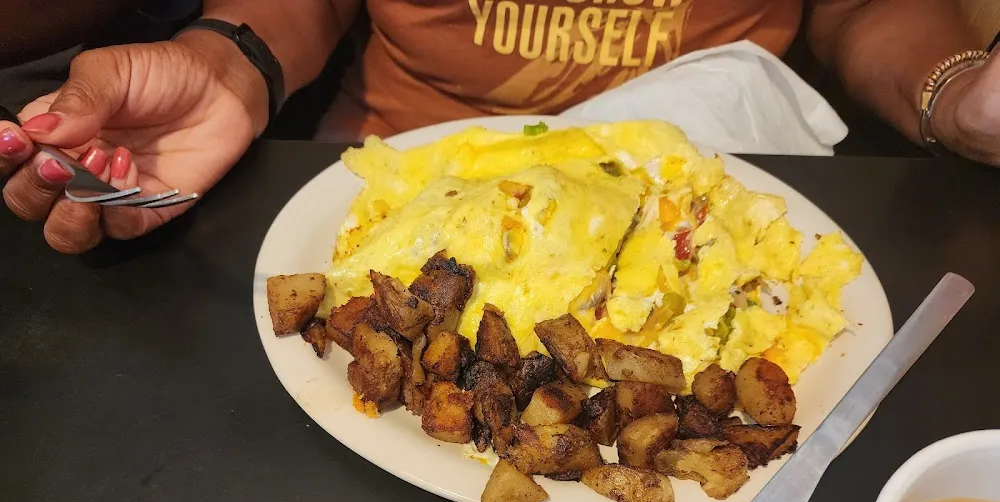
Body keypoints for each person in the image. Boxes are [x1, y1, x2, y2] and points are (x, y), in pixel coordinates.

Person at [1, 0, 997, 254]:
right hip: (391, 193)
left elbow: (857, 6)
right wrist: (229, 66)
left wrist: (954, 91)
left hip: (707, 201)